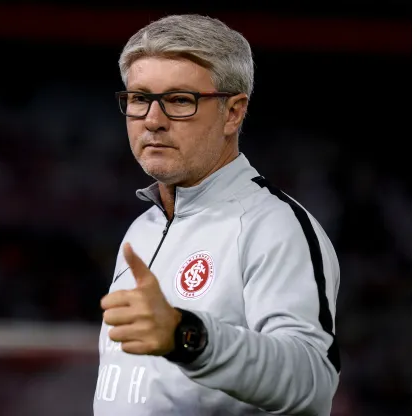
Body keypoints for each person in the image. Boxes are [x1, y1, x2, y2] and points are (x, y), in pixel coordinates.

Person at [94, 14, 341, 416]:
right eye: (140, 98)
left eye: (179, 100)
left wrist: (186, 336)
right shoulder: (143, 228)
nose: (152, 121)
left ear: (233, 113)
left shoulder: (273, 226)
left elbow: (312, 381)